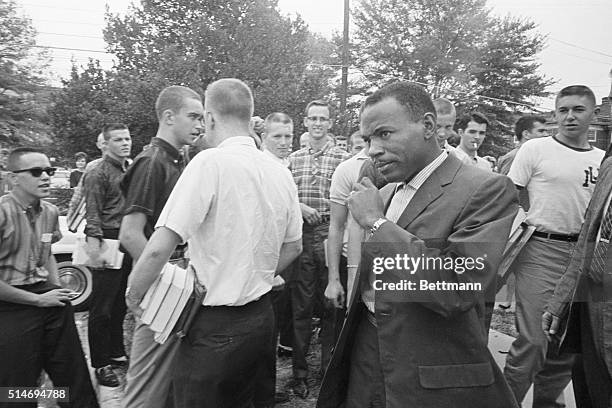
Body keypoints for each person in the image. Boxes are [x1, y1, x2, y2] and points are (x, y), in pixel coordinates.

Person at [317, 81, 519, 408]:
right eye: (368, 139)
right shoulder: (387, 188)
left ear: (428, 126)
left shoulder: (485, 189)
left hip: (426, 370)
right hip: (367, 354)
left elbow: (457, 288)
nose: (372, 149)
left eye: (385, 134)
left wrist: (378, 224)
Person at [125, 78, 303, 408]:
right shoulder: (279, 171)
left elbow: (158, 247)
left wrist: (135, 297)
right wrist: (254, 273)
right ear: (250, 120)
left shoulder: (209, 163)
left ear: (209, 118)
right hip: (262, 319)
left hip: (216, 324)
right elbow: (294, 247)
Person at [503, 85, 605, 408]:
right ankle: (504, 401)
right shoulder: (535, 149)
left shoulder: (603, 160)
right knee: (533, 341)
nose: (569, 117)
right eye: (563, 110)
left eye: (578, 110)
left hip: (584, 256)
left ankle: (548, 403)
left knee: (566, 346)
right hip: (541, 248)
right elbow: (510, 194)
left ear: (593, 114)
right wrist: (536, 216)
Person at [120, 85, 204, 408]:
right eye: (193, 116)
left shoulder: (175, 159)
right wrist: (164, 279)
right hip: (161, 286)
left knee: (167, 385)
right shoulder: (153, 161)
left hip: (171, 282)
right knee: (145, 391)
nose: (199, 125)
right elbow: (130, 233)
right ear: (168, 117)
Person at [0, 147, 99, 408]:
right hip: (11, 307)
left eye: (49, 171)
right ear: (13, 178)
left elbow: (47, 254)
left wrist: (56, 290)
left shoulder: (50, 212)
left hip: (48, 298)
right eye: (36, 171)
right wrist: (37, 301)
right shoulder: (2, 214)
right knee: (16, 389)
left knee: (73, 378)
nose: (45, 176)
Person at [288, 99, 351, 398]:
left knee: (331, 305)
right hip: (302, 233)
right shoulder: (294, 158)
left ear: (329, 123)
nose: (317, 123)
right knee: (300, 306)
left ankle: (329, 372)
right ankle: (299, 373)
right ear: (305, 122)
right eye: (312, 118)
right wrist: (299, 206)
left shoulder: (343, 157)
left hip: (330, 231)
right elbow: (285, 196)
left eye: (322, 119)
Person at [543, 148, 612, 408]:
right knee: (591, 392)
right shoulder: (609, 168)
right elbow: (588, 237)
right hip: (591, 305)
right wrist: (561, 299)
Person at [84, 122, 133, 387]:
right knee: (101, 308)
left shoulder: (130, 167)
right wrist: (95, 245)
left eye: (127, 138)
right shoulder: (97, 172)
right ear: (106, 143)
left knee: (119, 303)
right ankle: (101, 364)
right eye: (118, 140)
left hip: (127, 238)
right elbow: (93, 211)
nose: (125, 143)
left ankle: (115, 351)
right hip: (107, 239)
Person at [255, 111, 295, 407]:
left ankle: (265, 391)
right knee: (259, 332)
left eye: (288, 136)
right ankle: (260, 394)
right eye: (277, 137)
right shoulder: (261, 167)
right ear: (264, 137)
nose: (283, 142)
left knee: (270, 329)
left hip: (282, 254)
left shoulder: (283, 165)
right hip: (266, 260)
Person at [324, 130, 370, 327]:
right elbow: (336, 225)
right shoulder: (347, 169)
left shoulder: (405, 166)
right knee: (340, 331)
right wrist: (333, 280)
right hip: (349, 260)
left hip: (386, 264)